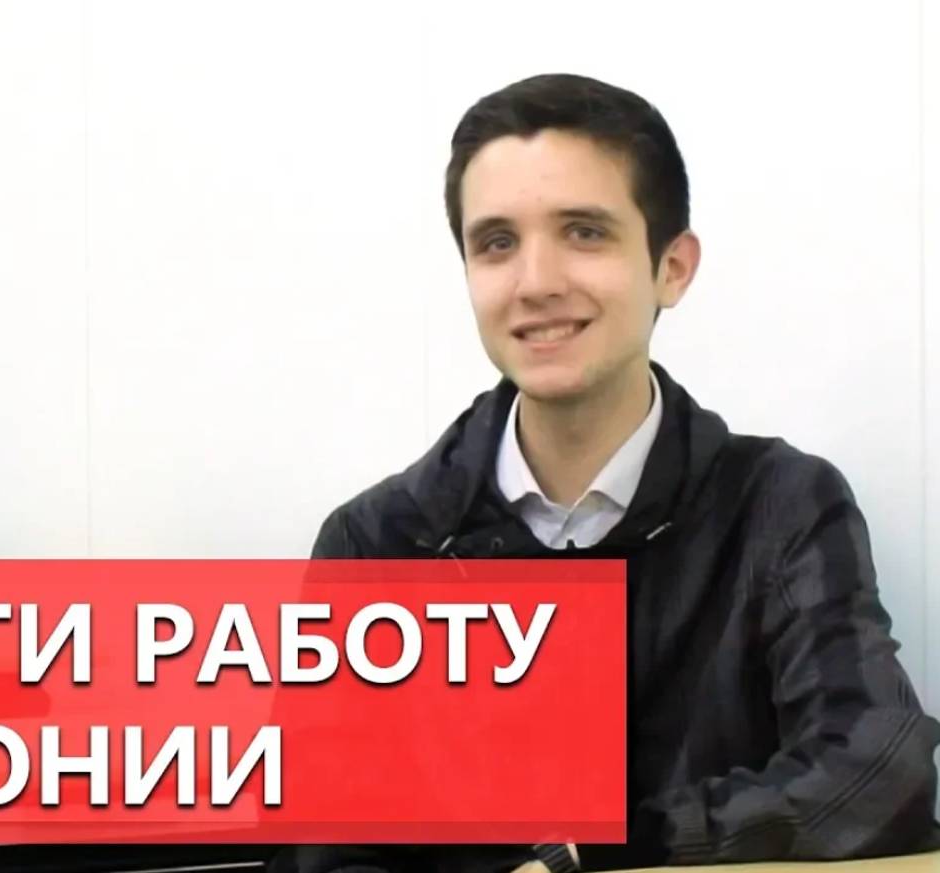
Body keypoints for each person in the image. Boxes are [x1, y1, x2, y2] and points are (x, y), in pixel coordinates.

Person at [273, 73, 940, 873]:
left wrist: (591, 851)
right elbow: (317, 846)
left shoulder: (779, 505)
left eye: (583, 232)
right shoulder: (376, 541)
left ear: (672, 267)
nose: (536, 282)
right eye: (496, 243)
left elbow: (874, 771)